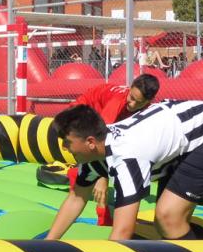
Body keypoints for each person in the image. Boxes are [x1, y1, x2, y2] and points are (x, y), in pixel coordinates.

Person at [44, 100, 203, 241]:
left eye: (67, 143)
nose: (64, 148)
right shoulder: (96, 154)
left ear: (90, 142)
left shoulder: (127, 157)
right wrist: (48, 246)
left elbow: (123, 231)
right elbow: (76, 198)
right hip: (183, 133)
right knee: (165, 221)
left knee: (168, 216)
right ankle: (199, 244)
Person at [63, 73, 160, 224]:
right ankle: (101, 213)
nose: (132, 104)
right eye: (131, 97)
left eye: (138, 102)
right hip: (85, 108)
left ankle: (80, 177)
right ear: (130, 88)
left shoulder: (149, 112)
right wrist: (103, 177)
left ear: (148, 101)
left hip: (105, 120)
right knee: (87, 152)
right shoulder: (117, 103)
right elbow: (101, 142)